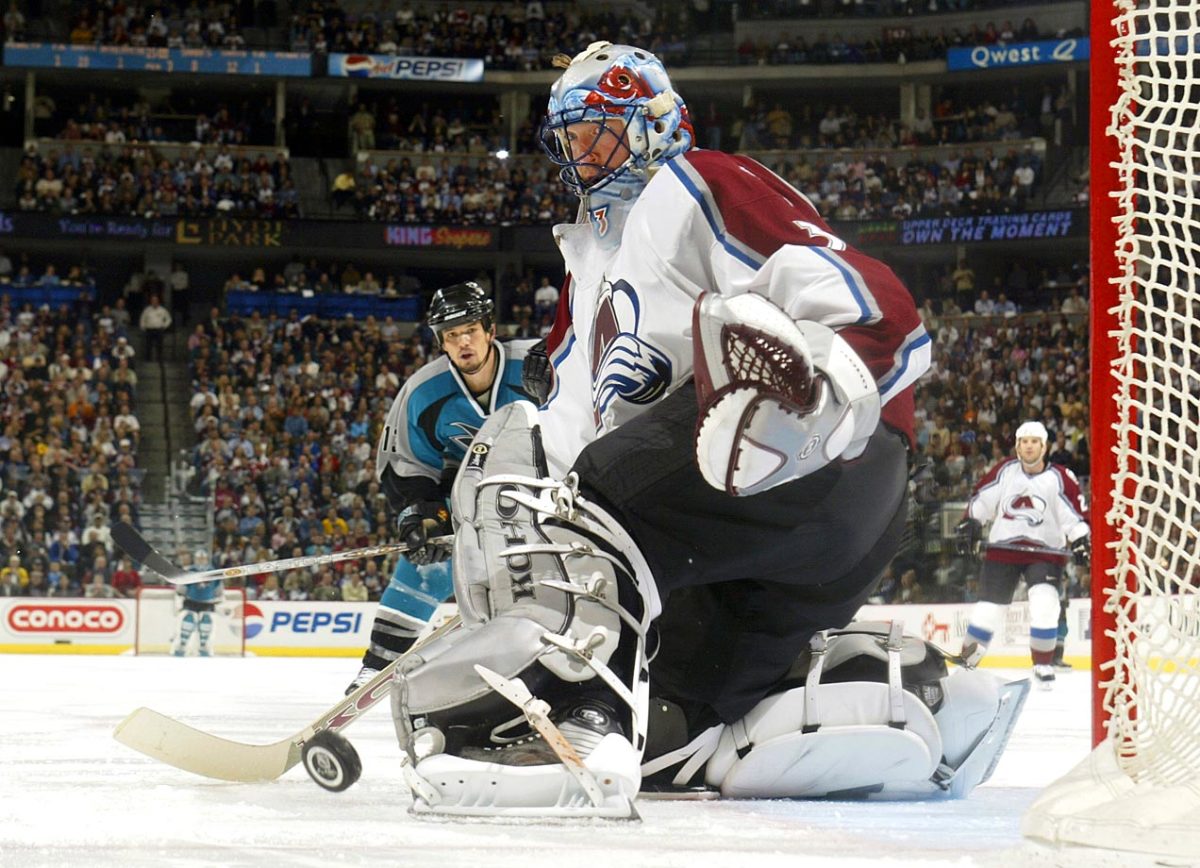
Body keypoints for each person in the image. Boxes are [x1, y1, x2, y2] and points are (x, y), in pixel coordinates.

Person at [360, 43, 1021, 821]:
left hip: (812, 460)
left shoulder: (690, 184)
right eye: (568, 140)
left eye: (592, 132)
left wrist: (824, 384)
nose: (576, 156)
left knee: (583, 497)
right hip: (737, 546)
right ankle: (913, 693)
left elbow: (875, 306)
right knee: (672, 738)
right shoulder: (586, 273)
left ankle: (576, 710)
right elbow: (564, 438)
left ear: (651, 125)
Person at [345, 282, 540, 693]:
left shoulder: (540, 365)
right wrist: (424, 514)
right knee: (429, 560)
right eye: (451, 335)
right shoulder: (423, 392)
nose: (463, 341)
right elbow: (407, 463)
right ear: (442, 343)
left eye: (470, 329)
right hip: (469, 492)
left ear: (490, 330)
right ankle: (377, 664)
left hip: (548, 486)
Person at [954, 420, 1090, 687]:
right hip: (1003, 550)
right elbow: (983, 500)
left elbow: (1073, 514)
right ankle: (968, 662)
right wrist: (971, 521)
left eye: (1034, 441)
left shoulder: (1060, 477)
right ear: (1017, 446)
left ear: (1044, 446)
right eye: (1024, 441)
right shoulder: (1005, 471)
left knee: (1045, 602)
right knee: (987, 611)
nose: (1028, 446)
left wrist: (1080, 538)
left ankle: (1042, 663)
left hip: (1045, 553)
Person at [173, 550, 223, 657]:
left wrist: (219, 598)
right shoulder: (190, 571)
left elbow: (218, 590)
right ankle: (182, 646)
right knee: (188, 620)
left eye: (202, 558)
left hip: (208, 602)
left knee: (206, 621)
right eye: (199, 558)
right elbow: (181, 588)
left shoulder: (213, 572)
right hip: (191, 601)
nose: (200, 561)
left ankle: (203, 646)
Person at [139, 293, 172, 363]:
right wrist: (143, 328)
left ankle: (159, 359)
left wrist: (164, 326)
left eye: (155, 300)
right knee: (148, 345)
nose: (154, 302)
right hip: (149, 330)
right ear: (151, 301)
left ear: (158, 301)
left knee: (159, 345)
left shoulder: (163, 310)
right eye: (153, 300)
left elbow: (169, 319)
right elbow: (142, 319)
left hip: (159, 330)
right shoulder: (147, 310)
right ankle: (148, 359)